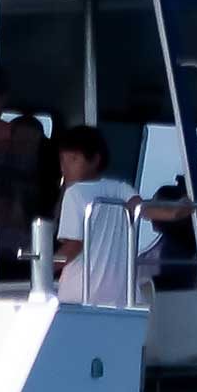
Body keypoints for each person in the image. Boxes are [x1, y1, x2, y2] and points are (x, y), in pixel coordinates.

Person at [45, 125, 156, 305]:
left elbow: (73, 245)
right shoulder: (121, 189)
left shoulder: (75, 193)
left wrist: (42, 269)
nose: (65, 167)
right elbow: (147, 211)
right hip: (122, 298)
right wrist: (181, 209)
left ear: (95, 160)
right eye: (62, 161)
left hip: (79, 295)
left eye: (73, 159)